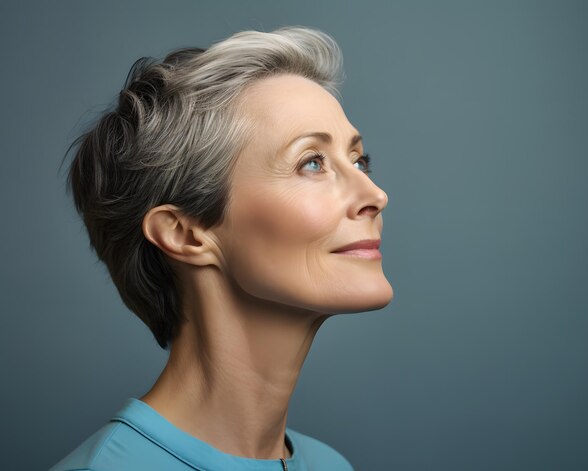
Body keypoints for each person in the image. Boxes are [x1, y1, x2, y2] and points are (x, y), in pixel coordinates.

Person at [51, 25, 393, 471]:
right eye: (312, 162)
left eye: (358, 159)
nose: (375, 194)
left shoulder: (332, 465)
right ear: (186, 234)